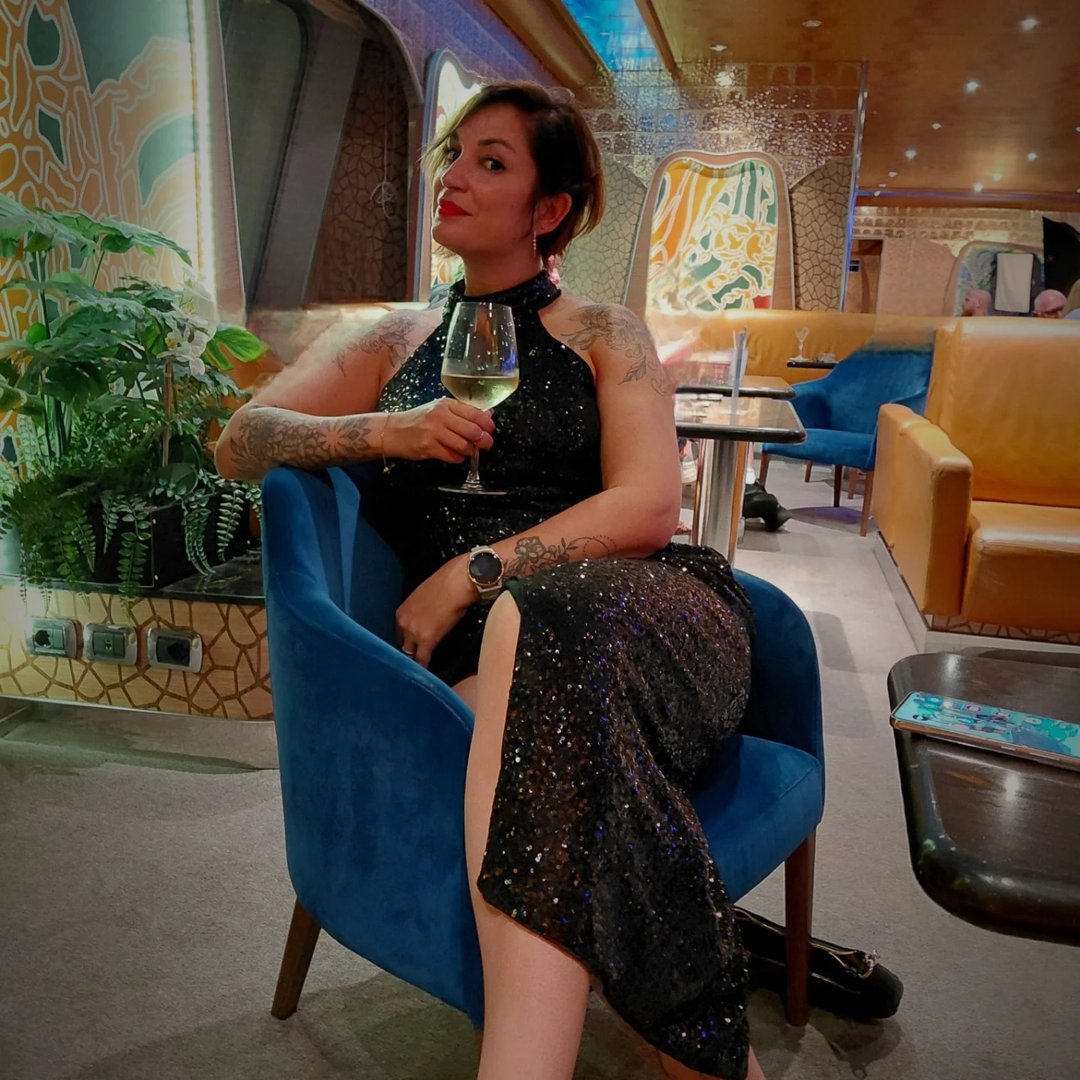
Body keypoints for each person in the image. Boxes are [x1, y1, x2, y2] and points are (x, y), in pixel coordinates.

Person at [216, 82, 762, 1080]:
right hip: (500, 664)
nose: (455, 176)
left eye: (492, 162)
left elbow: (649, 506)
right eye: (456, 154)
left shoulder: (606, 332)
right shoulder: (394, 340)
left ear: (548, 209)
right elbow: (239, 440)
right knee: (540, 726)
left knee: (534, 616)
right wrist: (384, 430)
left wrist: (475, 574)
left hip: (644, 614)